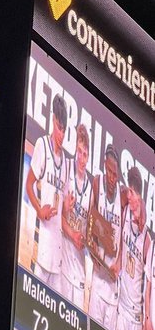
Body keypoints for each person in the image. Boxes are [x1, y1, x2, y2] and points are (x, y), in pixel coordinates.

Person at [25, 92, 68, 288]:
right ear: (53, 121)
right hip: (41, 245)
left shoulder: (66, 162)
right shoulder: (43, 145)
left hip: (57, 254)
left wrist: (68, 206)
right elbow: (28, 184)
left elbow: (64, 209)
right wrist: (39, 209)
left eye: (65, 130)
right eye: (59, 128)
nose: (62, 134)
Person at [88, 144, 124, 330]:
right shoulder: (96, 183)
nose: (112, 178)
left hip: (112, 281)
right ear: (104, 166)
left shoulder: (123, 197)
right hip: (97, 273)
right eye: (110, 172)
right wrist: (92, 248)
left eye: (115, 175)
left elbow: (125, 238)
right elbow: (89, 219)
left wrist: (119, 262)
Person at [116, 166, 150, 330]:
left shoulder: (146, 239)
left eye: (132, 192)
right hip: (121, 307)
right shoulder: (124, 211)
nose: (128, 195)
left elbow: (148, 285)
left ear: (139, 195)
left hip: (136, 317)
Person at [60, 123, 93, 308]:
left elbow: (90, 234)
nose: (81, 158)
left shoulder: (91, 190)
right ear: (75, 149)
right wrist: (65, 208)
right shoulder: (65, 168)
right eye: (79, 152)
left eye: (85, 154)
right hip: (62, 262)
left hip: (79, 270)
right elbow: (58, 216)